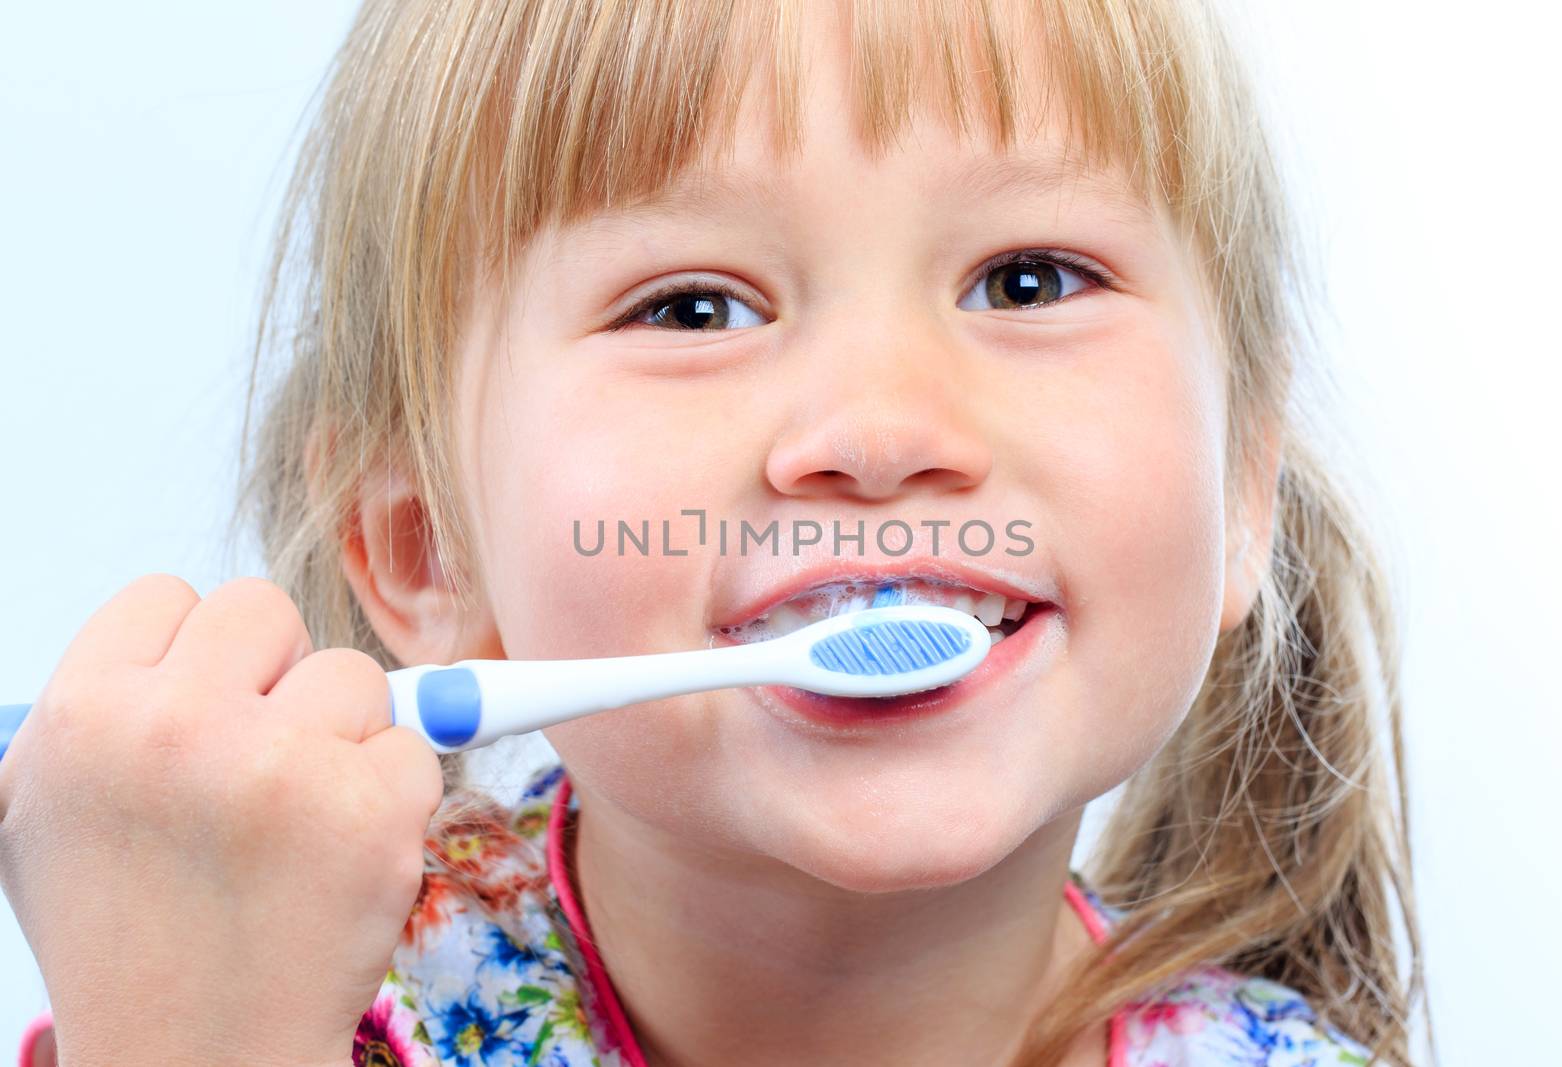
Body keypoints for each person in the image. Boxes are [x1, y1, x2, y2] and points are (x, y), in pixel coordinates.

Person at [0, 0, 1425, 1064]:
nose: (879, 430)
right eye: (693, 308)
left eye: (1029, 280)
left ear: (1245, 479)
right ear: (430, 549)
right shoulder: (260, 1002)